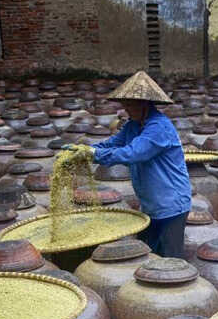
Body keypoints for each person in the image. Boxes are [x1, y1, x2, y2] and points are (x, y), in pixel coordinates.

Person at [64, 71, 192, 258]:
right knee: (148, 255)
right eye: (125, 105)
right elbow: (112, 143)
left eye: (131, 105)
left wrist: (95, 154)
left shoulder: (159, 127)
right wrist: (84, 149)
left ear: (145, 104)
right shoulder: (133, 125)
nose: (127, 110)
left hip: (170, 205)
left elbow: (133, 153)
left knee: (170, 259)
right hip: (150, 205)